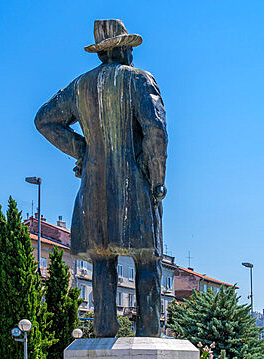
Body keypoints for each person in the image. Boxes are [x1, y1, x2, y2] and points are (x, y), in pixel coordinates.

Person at [35, 19, 167, 338]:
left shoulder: (80, 86)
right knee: (147, 258)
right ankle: (150, 333)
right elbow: (155, 131)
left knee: (101, 260)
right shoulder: (138, 79)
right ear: (122, 49)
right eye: (129, 49)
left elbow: (44, 121)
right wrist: (158, 178)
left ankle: (104, 330)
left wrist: (83, 149)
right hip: (134, 180)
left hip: (93, 184)